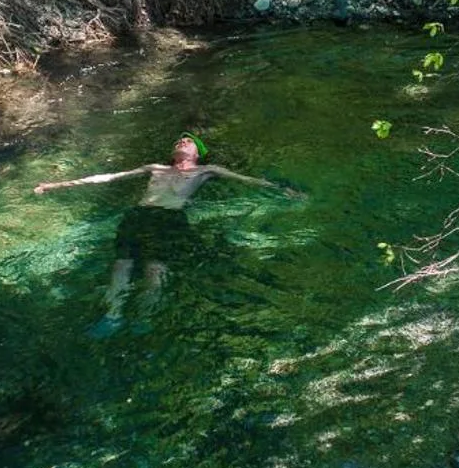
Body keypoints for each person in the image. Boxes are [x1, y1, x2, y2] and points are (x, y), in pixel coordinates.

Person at [33, 135, 298, 331]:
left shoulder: (207, 170)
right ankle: (112, 317)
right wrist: (56, 185)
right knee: (121, 265)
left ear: (197, 153)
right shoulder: (155, 168)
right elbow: (108, 177)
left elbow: (248, 180)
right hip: (138, 215)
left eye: (189, 141)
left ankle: (143, 319)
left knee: (154, 269)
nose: (182, 141)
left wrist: (281, 189)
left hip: (169, 218)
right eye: (180, 140)